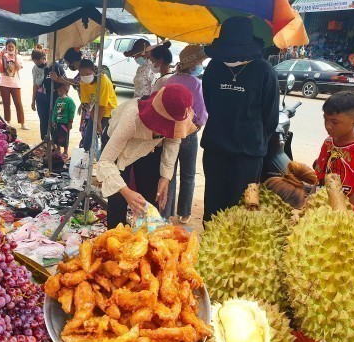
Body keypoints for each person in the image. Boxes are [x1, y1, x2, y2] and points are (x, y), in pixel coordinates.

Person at [201, 16, 280, 222]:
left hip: (248, 155)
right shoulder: (213, 67)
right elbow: (209, 103)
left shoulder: (264, 70)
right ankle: (211, 248)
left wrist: (252, 137)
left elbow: (270, 117)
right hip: (216, 150)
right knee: (214, 205)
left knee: (242, 207)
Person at [97, 84, 196, 229]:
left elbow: (173, 140)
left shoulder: (176, 119)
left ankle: (147, 237)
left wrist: (165, 177)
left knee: (151, 197)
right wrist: (126, 192)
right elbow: (105, 162)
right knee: (118, 200)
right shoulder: (131, 118)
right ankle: (115, 236)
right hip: (120, 145)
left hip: (151, 148)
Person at [162, 45, 209, 223]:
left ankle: (166, 212)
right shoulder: (196, 83)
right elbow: (202, 114)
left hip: (170, 131)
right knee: (188, 175)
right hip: (188, 132)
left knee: (169, 173)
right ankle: (185, 213)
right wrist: (196, 127)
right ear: (193, 64)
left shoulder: (170, 80)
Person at [314, 91, 354, 209]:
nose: (328, 126)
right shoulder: (328, 142)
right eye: (325, 119)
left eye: (334, 122)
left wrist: (340, 213)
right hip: (319, 211)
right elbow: (319, 177)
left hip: (343, 216)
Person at [78, 59, 117, 154]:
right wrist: (94, 119)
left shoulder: (103, 81)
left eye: (87, 73)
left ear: (93, 71)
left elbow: (102, 105)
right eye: (82, 74)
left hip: (108, 111)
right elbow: (87, 103)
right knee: (88, 139)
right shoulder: (82, 82)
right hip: (94, 110)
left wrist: (98, 122)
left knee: (104, 138)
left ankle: (103, 161)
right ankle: (86, 159)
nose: (85, 77)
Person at [31, 49, 65, 141]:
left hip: (54, 96)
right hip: (41, 97)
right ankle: (44, 141)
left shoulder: (55, 67)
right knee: (43, 121)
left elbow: (66, 82)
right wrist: (33, 100)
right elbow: (35, 85)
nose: (37, 63)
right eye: (35, 61)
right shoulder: (35, 69)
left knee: (55, 120)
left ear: (43, 58)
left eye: (38, 61)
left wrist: (63, 98)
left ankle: (55, 143)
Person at [0, 39, 28, 129]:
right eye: (9, 46)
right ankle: (7, 121)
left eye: (12, 46)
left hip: (15, 84)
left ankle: (22, 123)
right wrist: (0, 55)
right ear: (6, 47)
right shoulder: (3, 56)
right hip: (4, 84)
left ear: (15, 47)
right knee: (6, 104)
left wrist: (15, 56)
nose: (10, 48)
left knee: (18, 103)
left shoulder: (19, 57)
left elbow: (17, 68)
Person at [51, 82, 76, 157]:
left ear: (66, 90)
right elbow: (55, 111)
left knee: (64, 138)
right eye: (58, 91)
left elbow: (72, 111)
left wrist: (70, 122)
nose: (59, 93)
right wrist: (53, 120)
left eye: (60, 91)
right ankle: (58, 150)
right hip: (58, 122)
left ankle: (65, 152)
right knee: (56, 137)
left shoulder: (69, 101)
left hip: (65, 123)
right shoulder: (58, 100)